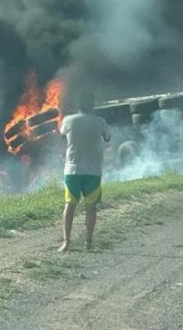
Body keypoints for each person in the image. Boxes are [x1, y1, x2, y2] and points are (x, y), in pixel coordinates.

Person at [58, 91, 110, 253]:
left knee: (70, 205)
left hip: (72, 169)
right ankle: (89, 242)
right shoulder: (100, 121)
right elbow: (107, 138)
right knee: (91, 206)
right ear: (92, 105)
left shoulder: (68, 120)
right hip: (93, 170)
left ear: (77, 105)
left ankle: (66, 242)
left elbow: (62, 137)